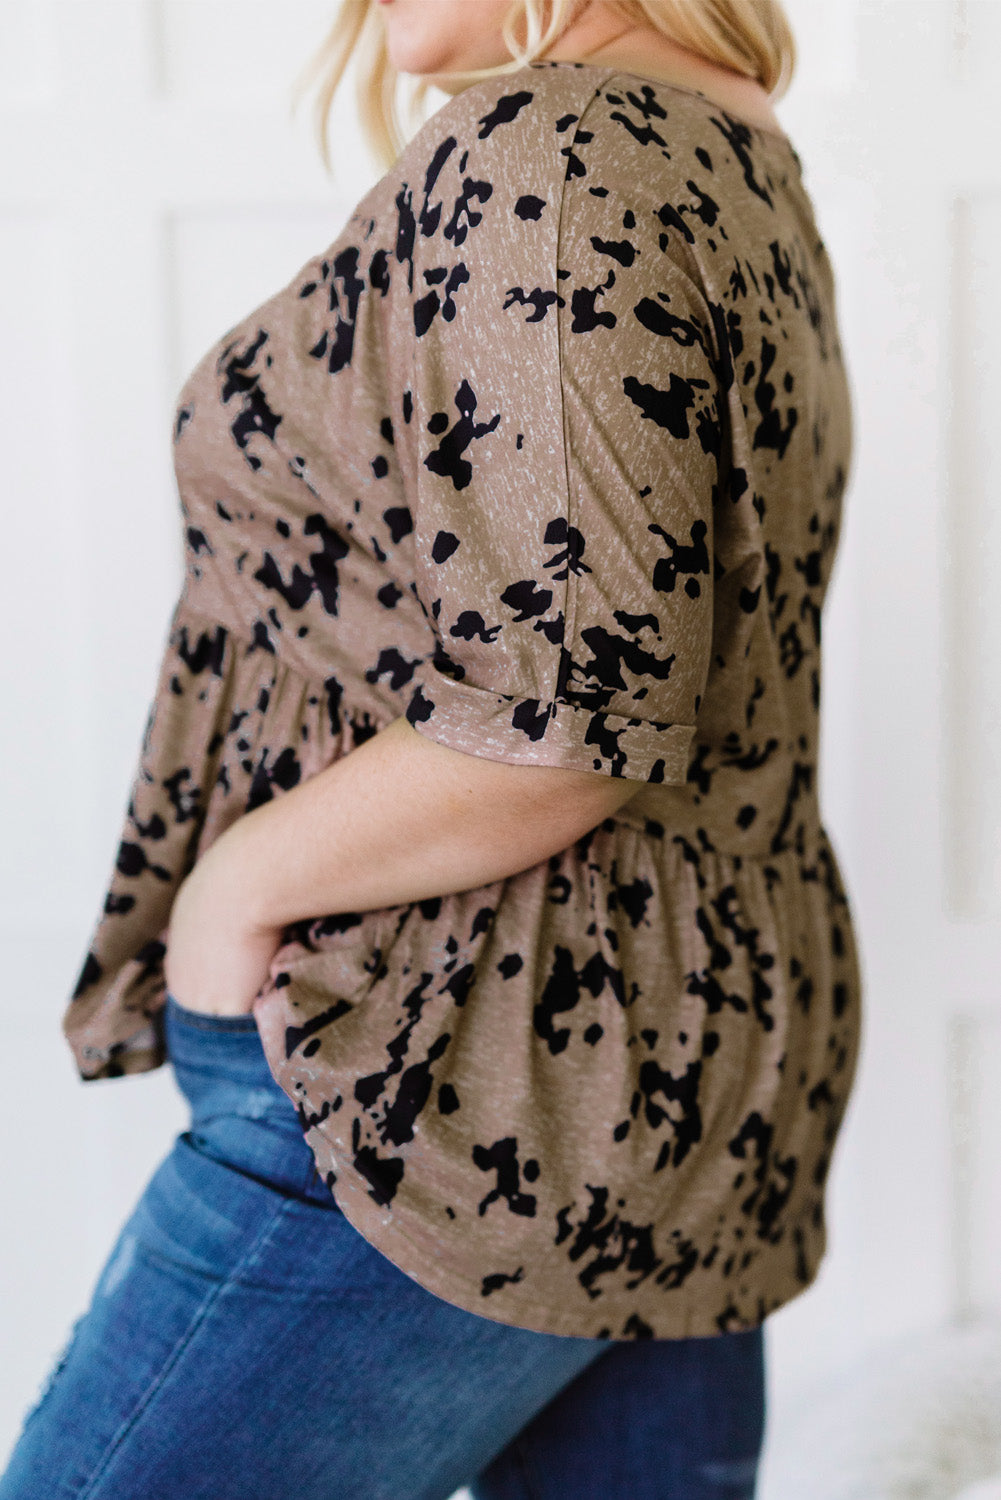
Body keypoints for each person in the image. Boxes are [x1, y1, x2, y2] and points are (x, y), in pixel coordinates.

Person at [0, 0, 863, 1495]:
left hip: (457, 1064)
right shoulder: (727, 140)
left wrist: (230, 894)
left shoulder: (559, 150)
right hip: (666, 1060)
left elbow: (562, 717)